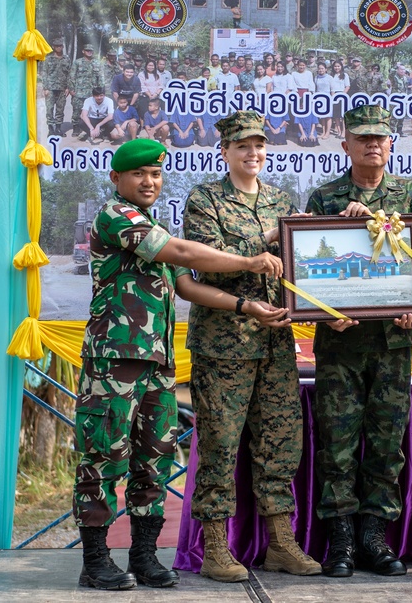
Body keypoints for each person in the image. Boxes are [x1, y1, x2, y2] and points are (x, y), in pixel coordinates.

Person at [74, 139, 286, 591]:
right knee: (103, 457)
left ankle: (145, 557)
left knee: (153, 460)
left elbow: (186, 285)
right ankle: (95, 561)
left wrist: (250, 294)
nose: (149, 182)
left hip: (158, 364)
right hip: (115, 361)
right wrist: (251, 260)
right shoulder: (116, 216)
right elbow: (185, 255)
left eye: (156, 174)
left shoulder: (151, 221)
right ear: (117, 179)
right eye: (139, 175)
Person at [183, 111, 322, 583]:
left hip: (276, 342)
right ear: (225, 151)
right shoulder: (205, 200)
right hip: (223, 346)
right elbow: (205, 265)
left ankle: (281, 543)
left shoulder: (281, 199)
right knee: (221, 445)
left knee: (281, 443)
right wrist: (264, 238)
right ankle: (216, 549)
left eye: (259, 145)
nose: (253, 153)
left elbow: (297, 266)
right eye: (243, 146)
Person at [305, 104, 412, 578]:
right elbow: (309, 267)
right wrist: (324, 311)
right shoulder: (325, 198)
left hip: (393, 339)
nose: (372, 145)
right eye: (362, 138)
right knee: (337, 443)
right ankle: (339, 538)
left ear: (391, 144)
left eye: (380, 138)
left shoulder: (411, 193)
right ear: (345, 145)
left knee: (386, 442)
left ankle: (374, 536)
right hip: (341, 342)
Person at [41, 38, 70, 136]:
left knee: (60, 109)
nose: (59, 48)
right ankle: (51, 129)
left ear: (62, 47)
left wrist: (68, 87)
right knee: (49, 109)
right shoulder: (48, 59)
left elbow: (69, 74)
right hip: (50, 88)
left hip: (62, 88)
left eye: (60, 46)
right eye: (57, 46)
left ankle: (58, 128)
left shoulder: (66, 59)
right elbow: (44, 73)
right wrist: (45, 88)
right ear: (53, 47)